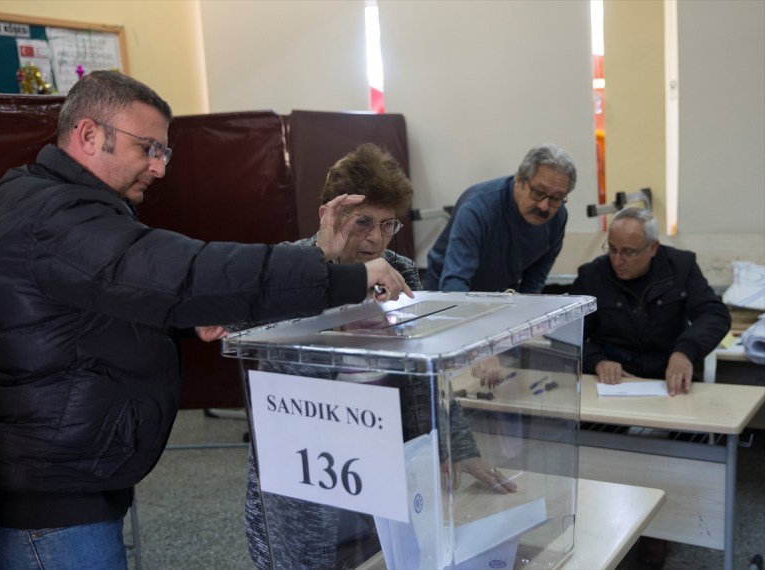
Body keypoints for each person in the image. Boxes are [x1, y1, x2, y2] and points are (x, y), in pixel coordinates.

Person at [0, 71, 411, 569]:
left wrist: (183, 320)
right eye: (147, 148)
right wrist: (345, 277)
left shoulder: (54, 206)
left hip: (52, 479)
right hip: (47, 503)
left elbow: (95, 307)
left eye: (165, 152)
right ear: (89, 135)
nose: (159, 168)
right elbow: (189, 273)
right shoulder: (59, 218)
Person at [243, 143, 518, 570]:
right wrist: (323, 265)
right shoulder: (290, 267)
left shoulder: (399, 271)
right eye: (362, 223)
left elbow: (422, 374)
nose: (376, 239)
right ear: (328, 216)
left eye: (387, 224)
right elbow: (236, 321)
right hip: (308, 473)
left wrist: (459, 445)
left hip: (383, 463)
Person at [569, 206, 731, 396]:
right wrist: (596, 361)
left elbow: (714, 314)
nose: (617, 260)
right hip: (613, 382)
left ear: (653, 248)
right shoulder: (592, 275)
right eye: (612, 249)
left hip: (668, 378)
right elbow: (568, 331)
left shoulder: (681, 267)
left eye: (629, 252)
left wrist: (685, 351)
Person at [425, 143, 577, 293]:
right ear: (519, 181)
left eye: (556, 198)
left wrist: (527, 307)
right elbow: (454, 282)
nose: (544, 206)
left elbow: (535, 279)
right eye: (538, 192)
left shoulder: (557, 217)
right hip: (444, 293)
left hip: (498, 293)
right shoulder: (477, 209)